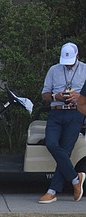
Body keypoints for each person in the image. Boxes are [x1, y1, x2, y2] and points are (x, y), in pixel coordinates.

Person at [38, 42, 86, 204]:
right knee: (51, 143)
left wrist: (79, 97)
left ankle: (52, 191)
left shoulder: (85, 70)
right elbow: (44, 94)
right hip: (56, 112)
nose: (67, 65)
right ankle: (75, 179)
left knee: (65, 151)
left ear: (77, 56)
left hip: (75, 113)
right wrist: (55, 96)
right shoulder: (54, 70)